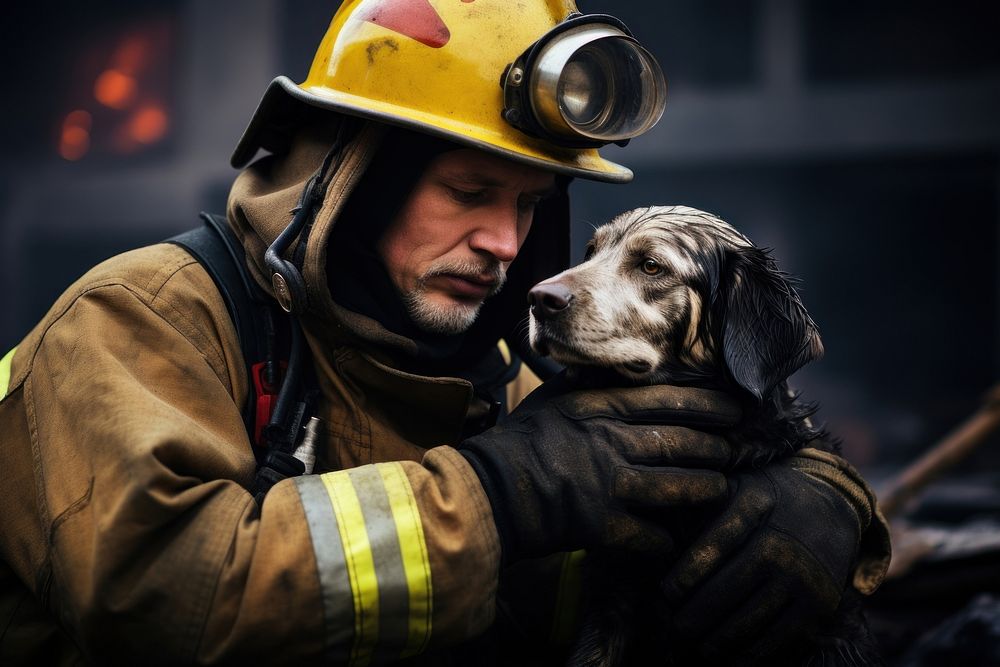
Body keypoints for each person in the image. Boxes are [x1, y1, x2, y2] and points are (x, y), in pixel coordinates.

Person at [0, 1, 890, 664]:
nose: (508, 246)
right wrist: (494, 495)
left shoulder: (508, 373)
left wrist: (827, 506)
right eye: (469, 193)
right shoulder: (142, 318)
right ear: (353, 178)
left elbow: (718, 434)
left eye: (530, 206)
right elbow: (161, 597)